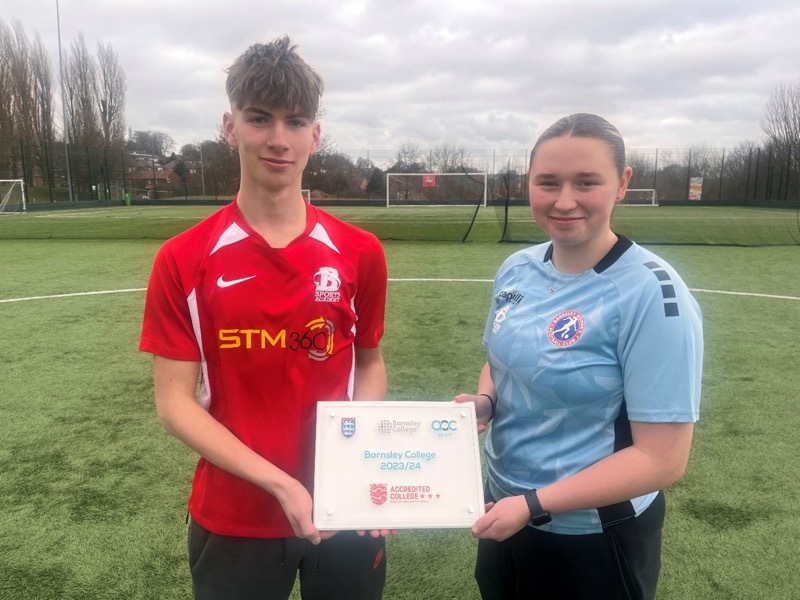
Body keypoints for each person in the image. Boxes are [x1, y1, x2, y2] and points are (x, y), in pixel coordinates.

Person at [140, 36, 389, 600]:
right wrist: (280, 483)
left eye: (295, 122)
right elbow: (174, 403)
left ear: (315, 136)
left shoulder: (360, 252)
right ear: (230, 127)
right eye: (260, 119)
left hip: (343, 506)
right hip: (235, 516)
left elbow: (369, 363)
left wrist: (357, 456)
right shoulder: (183, 259)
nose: (278, 139)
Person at [455, 113, 703, 600]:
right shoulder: (516, 269)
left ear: (622, 184)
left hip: (593, 534)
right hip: (503, 506)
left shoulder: (653, 293)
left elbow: (662, 459)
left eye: (586, 182)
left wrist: (535, 504)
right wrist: (486, 400)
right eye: (547, 183)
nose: (563, 201)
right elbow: (501, 360)